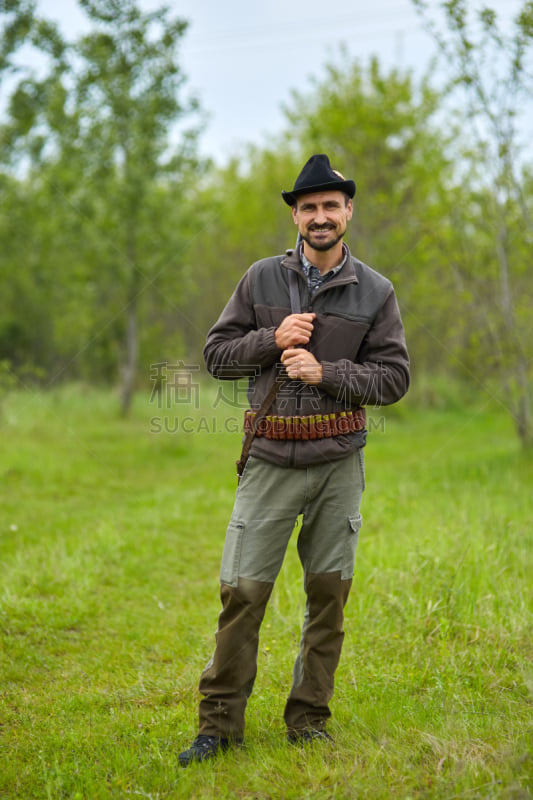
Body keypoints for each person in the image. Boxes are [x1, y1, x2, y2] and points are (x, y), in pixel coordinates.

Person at [178, 154, 410, 766]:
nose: (320, 216)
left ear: (348, 212)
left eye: (331, 205)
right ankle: (219, 726)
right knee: (243, 593)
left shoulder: (376, 291)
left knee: (327, 597)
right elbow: (216, 355)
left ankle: (309, 721)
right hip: (271, 461)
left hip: (338, 464)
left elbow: (393, 378)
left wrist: (326, 372)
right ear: (295, 216)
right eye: (309, 207)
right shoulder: (258, 280)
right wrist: (271, 339)